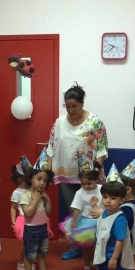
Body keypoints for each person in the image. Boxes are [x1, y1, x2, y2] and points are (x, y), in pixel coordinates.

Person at [46, 82, 108, 260]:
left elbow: (101, 149)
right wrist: (48, 172)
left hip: (89, 177)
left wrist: (96, 170)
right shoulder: (59, 122)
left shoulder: (94, 122)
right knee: (73, 209)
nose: (71, 110)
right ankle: (76, 245)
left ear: (82, 103)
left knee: (93, 210)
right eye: (68, 106)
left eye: (75, 106)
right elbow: (51, 147)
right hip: (66, 175)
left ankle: (96, 245)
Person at [87, 165, 134, 270]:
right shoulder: (105, 213)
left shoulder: (119, 219)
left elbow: (120, 240)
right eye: (105, 197)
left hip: (112, 258)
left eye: (113, 198)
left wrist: (114, 258)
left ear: (122, 200)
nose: (108, 201)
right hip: (104, 256)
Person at [20, 149, 60, 270]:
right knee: (29, 255)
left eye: (45, 180)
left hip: (42, 228)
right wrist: (35, 200)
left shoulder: (43, 195)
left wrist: (47, 201)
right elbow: (27, 213)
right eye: (39, 179)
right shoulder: (25, 195)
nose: (42, 183)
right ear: (31, 178)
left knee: (42, 254)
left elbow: (48, 212)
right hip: (31, 230)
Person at [61, 157, 103, 270]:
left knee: (99, 247)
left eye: (89, 183)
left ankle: (98, 267)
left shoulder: (102, 189)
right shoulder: (80, 192)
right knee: (87, 248)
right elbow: (77, 208)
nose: (86, 186)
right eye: (83, 183)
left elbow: (105, 203)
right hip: (85, 223)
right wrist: (73, 223)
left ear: (96, 180)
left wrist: (101, 210)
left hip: (100, 222)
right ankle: (87, 267)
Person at [10, 155, 37, 270]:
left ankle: (28, 260)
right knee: (27, 243)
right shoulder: (16, 192)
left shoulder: (32, 190)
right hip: (24, 220)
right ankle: (22, 262)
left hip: (34, 219)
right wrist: (13, 221)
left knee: (32, 243)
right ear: (21, 180)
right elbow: (13, 208)